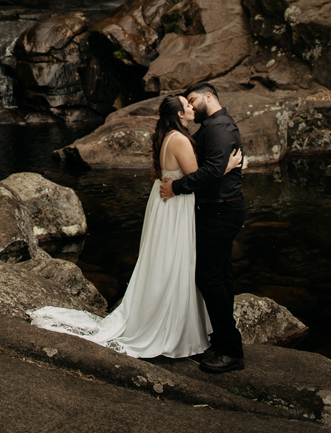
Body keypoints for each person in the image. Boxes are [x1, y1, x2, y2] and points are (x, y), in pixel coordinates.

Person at [29, 94, 240, 359]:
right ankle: (169, 326)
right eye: (187, 104)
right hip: (175, 206)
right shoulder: (180, 139)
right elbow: (198, 177)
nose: (192, 106)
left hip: (167, 204)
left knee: (165, 262)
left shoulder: (168, 136)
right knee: (173, 262)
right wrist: (226, 167)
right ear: (179, 114)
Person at [160, 81, 246, 374]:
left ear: (209, 96)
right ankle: (222, 341)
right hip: (217, 209)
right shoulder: (210, 127)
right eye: (187, 102)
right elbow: (209, 166)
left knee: (208, 276)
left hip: (222, 210)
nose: (192, 106)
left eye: (194, 99)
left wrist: (176, 187)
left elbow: (210, 171)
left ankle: (231, 350)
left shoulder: (220, 128)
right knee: (220, 274)